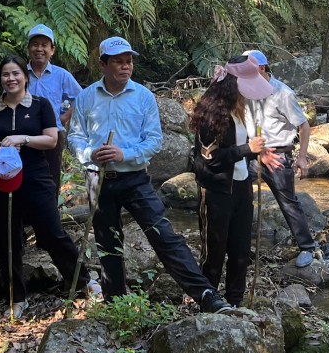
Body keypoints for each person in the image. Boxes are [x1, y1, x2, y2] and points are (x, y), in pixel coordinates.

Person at [68, 36, 234, 313]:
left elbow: (153, 140)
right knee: (108, 242)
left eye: (128, 61)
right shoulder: (86, 97)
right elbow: (74, 136)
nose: (125, 67)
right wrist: (89, 155)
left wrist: (124, 154)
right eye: (118, 62)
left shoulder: (143, 97)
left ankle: (205, 294)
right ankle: (115, 303)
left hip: (134, 178)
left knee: (164, 235)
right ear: (103, 64)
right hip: (98, 178)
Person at [0, 56, 95, 319]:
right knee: (7, 238)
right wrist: (3, 152)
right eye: (5, 74)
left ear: (25, 77)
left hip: (36, 176)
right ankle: (16, 298)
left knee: (51, 231)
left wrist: (24, 139)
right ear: (0, 79)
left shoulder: (41, 105)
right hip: (1, 178)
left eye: (15, 73)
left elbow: (51, 139)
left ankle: (84, 281)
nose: (11, 78)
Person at [190, 57, 277, 307]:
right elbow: (210, 159)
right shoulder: (211, 115)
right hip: (217, 189)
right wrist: (246, 149)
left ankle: (235, 303)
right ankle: (208, 302)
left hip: (241, 185)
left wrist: (257, 151)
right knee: (214, 252)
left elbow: (241, 148)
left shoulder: (241, 110)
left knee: (240, 251)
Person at [242, 49, 320, 267]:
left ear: (261, 68)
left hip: (277, 154)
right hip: (251, 152)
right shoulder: (245, 89)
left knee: (287, 202)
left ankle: (307, 247)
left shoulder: (283, 93)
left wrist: (302, 158)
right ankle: (241, 244)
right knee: (238, 193)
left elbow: (303, 126)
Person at [25, 24, 83, 195]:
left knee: (51, 178)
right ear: (29, 48)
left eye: (44, 45)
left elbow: (80, 98)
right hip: (24, 133)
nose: (39, 49)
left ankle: (50, 215)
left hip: (53, 135)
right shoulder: (20, 73)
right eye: (35, 44)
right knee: (24, 176)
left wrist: (63, 118)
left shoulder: (61, 75)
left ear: (52, 50)